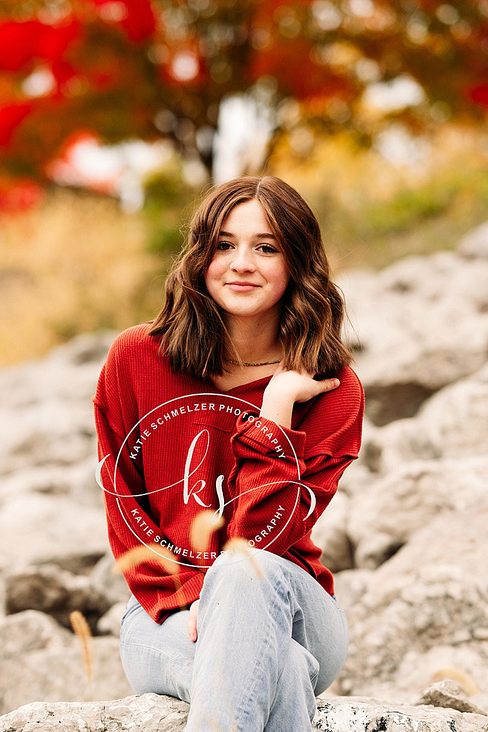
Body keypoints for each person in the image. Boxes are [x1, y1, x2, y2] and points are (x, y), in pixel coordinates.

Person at [93, 175, 364, 731]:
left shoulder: (332, 390)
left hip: (296, 607)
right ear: (200, 257)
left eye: (266, 247)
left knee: (247, 572)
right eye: (224, 244)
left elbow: (262, 536)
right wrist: (192, 592)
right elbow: (124, 506)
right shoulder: (136, 360)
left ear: (297, 264)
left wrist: (278, 410)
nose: (241, 262)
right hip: (162, 607)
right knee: (279, 669)